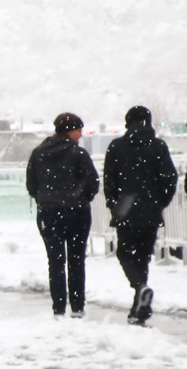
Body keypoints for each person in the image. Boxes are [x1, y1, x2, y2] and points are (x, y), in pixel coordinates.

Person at [103, 105, 178, 325]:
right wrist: (159, 202)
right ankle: (140, 308)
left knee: (125, 254)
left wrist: (115, 204)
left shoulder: (116, 147)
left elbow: (109, 181)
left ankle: (139, 289)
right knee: (143, 257)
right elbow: (170, 178)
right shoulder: (158, 147)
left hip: (125, 209)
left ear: (128, 122)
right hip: (151, 211)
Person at [26, 111, 99, 318]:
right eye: (78, 130)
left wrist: (46, 200)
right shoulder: (79, 154)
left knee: (55, 261)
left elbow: (31, 185)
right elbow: (92, 182)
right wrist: (81, 199)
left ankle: (58, 307)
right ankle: (77, 307)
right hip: (77, 213)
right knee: (77, 260)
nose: (80, 135)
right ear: (69, 131)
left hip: (49, 213)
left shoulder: (38, 153)